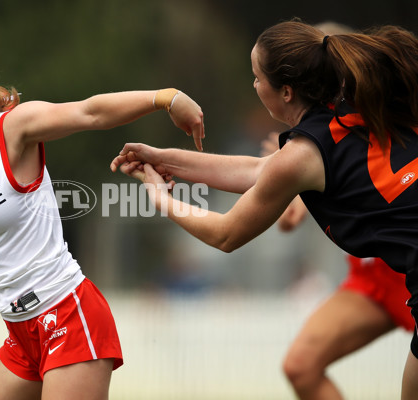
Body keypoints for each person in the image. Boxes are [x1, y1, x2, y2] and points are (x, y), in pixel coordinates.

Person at [0, 40, 204, 400]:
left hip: (68, 314)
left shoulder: (7, 131)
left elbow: (90, 113)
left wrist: (167, 97)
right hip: (20, 334)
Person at [111, 19, 418, 399]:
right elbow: (259, 171)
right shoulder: (358, 105)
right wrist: (163, 159)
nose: (254, 86)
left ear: (286, 91)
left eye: (257, 77)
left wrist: (160, 198)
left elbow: (226, 234)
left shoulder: (304, 154)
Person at [261, 131, 413, 400]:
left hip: (411, 268)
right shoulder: (338, 117)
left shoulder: (395, 103)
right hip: (374, 275)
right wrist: (291, 180)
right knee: (301, 366)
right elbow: (290, 217)